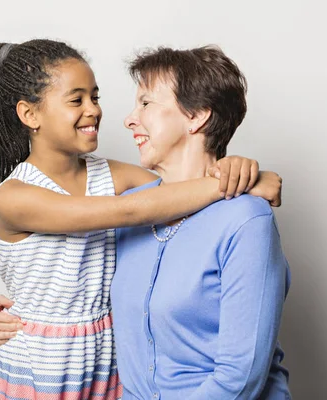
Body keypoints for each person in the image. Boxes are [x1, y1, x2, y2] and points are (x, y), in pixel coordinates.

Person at [0, 39, 282, 400]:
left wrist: (243, 178)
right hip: (42, 369)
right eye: (76, 100)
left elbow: (173, 190)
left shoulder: (118, 180)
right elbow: (135, 210)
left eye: (95, 97)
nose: (97, 111)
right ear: (29, 114)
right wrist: (240, 182)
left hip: (103, 369)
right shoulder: (18, 197)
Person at [110, 46, 291, 399]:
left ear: (197, 117)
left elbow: (239, 380)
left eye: (146, 103)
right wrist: (5, 314)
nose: (130, 119)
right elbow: (80, 303)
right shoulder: (127, 214)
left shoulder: (245, 220)